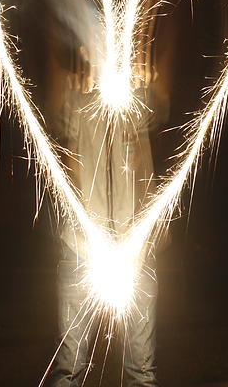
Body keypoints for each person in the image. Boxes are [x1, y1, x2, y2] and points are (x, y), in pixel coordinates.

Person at [46, 46, 166, 387]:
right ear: (85, 52)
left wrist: (150, 84)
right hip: (81, 251)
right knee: (69, 368)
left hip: (135, 252)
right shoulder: (75, 100)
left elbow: (159, 115)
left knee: (141, 370)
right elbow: (63, 154)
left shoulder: (139, 101)